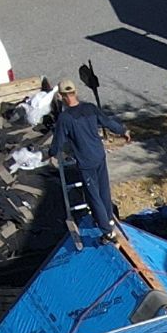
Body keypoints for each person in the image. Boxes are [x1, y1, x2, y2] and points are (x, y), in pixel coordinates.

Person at [52, 81, 131, 232]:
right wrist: (123, 131)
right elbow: (107, 122)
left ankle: (106, 231)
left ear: (61, 97)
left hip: (86, 162)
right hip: (99, 155)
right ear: (75, 92)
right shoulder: (90, 108)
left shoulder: (65, 118)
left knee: (93, 196)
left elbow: (58, 143)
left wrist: (48, 153)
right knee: (104, 190)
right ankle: (109, 219)